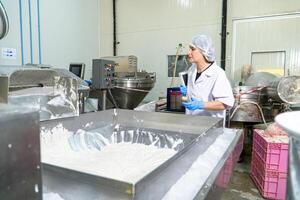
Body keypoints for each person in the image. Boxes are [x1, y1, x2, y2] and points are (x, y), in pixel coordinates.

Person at [180, 34, 234, 118]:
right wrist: (186, 93)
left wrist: (201, 104)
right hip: (191, 121)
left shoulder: (218, 73)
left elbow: (225, 103)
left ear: (204, 51)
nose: (188, 53)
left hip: (211, 125)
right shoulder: (192, 70)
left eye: (193, 49)